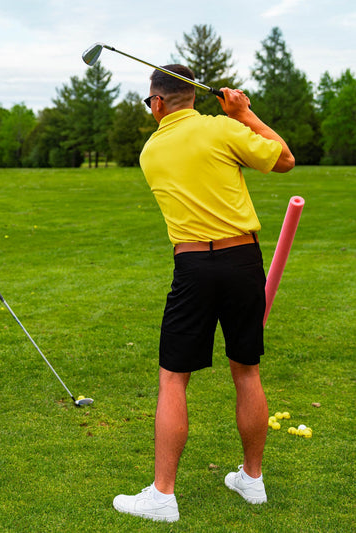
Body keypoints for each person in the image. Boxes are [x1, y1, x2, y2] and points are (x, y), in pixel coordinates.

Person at [112, 66, 295, 522]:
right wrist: (244, 113)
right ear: (194, 98)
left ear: (157, 104)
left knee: (174, 377)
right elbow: (285, 159)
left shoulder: (150, 151)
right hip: (243, 260)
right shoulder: (222, 129)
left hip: (192, 265)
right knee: (246, 371)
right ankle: (252, 480)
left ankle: (163, 495)